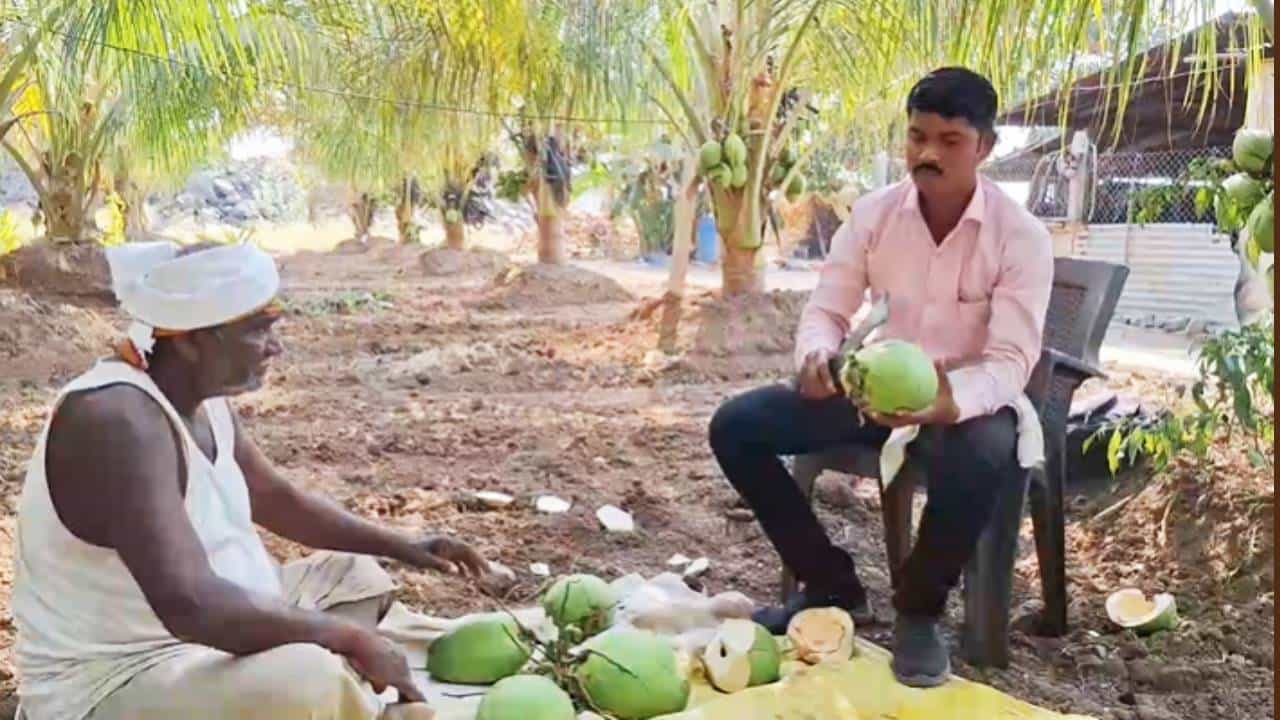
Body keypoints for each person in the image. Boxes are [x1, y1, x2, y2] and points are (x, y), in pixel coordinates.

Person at [11, 241, 492, 720]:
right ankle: (355, 700)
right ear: (191, 340)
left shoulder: (199, 398)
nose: (275, 346)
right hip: (127, 672)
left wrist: (405, 545)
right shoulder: (117, 422)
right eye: (258, 329)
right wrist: (346, 638)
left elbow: (275, 498)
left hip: (213, 625)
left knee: (354, 577)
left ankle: (341, 689)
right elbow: (190, 605)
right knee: (309, 679)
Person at [708, 67, 1053, 688]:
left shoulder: (1020, 236)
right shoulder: (874, 215)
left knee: (988, 446)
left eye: (949, 141)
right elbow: (828, 309)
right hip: (872, 392)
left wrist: (945, 401)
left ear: (984, 147)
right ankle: (831, 585)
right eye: (917, 137)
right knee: (736, 427)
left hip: (964, 402)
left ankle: (918, 611)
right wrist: (817, 356)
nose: (927, 153)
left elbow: (1010, 360)